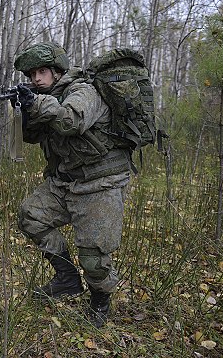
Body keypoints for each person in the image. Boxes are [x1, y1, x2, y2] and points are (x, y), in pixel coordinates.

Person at [12, 42, 133, 327]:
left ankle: (100, 301)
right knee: (31, 217)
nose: (36, 79)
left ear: (57, 71)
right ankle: (67, 279)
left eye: (42, 72)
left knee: (93, 256)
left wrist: (36, 102)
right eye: (31, 75)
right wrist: (24, 111)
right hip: (64, 182)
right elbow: (29, 138)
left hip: (98, 184)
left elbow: (71, 122)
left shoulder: (84, 92)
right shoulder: (47, 96)